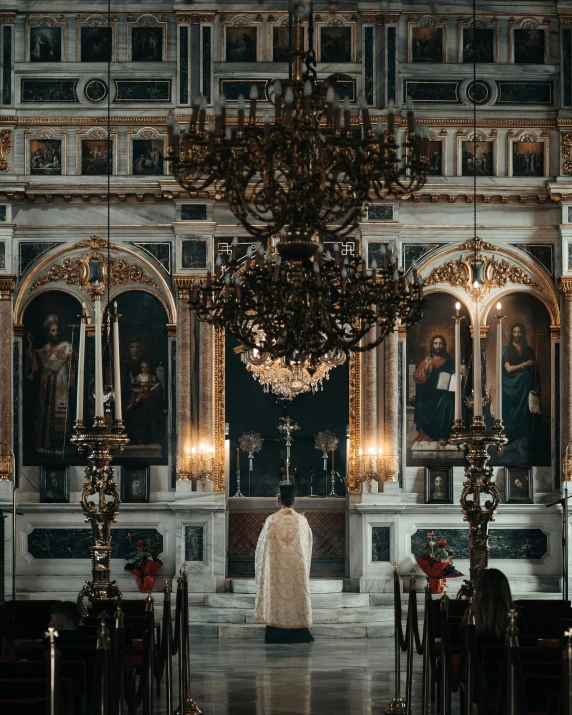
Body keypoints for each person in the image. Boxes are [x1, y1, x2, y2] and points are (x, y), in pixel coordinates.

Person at [255, 482, 314, 644]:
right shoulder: (302, 521)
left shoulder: (271, 520)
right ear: (294, 501)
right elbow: (308, 545)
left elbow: (262, 547)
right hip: (297, 570)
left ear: (279, 500)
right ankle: (299, 632)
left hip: (277, 571)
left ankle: (275, 632)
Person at [25, 314, 74, 457]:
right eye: (53, 330)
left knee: (60, 413)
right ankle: (45, 442)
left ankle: (60, 442)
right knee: (45, 412)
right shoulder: (45, 349)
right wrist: (30, 346)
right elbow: (34, 359)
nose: (55, 333)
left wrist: (72, 358)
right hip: (47, 386)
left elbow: (74, 366)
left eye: (57, 330)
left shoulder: (66, 347)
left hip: (61, 386)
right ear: (48, 332)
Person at [502, 322, 538, 458]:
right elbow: (508, 369)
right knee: (511, 415)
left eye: (519, 332)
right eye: (515, 332)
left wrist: (531, 366)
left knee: (524, 416)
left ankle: (520, 445)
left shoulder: (528, 350)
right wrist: (525, 365)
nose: (517, 334)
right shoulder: (508, 350)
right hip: (512, 388)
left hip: (525, 389)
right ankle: (504, 444)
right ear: (512, 334)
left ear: (523, 333)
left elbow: (534, 370)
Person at [412, 334, 456, 446]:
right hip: (430, 394)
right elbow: (418, 377)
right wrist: (427, 366)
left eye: (440, 343)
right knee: (421, 403)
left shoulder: (450, 361)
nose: (438, 346)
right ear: (432, 345)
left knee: (449, 402)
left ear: (444, 345)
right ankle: (429, 433)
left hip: (445, 393)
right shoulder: (428, 360)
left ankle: (444, 435)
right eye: (436, 343)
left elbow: (455, 377)